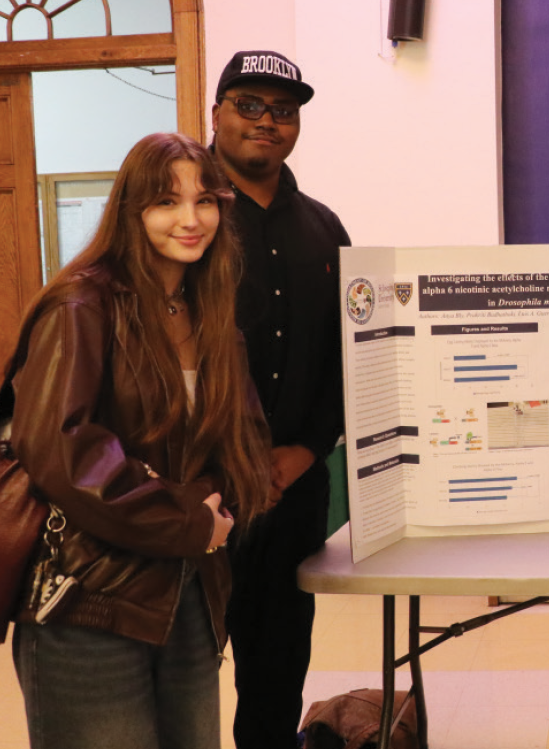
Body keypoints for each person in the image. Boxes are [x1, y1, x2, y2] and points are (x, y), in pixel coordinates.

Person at [9, 132, 272, 749]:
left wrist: (221, 509)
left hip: (189, 587)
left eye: (205, 200)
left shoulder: (209, 312)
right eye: (167, 202)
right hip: (91, 593)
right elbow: (62, 448)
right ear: (133, 209)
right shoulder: (81, 305)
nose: (190, 219)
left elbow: (246, 440)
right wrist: (187, 520)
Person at [210, 50, 352, 749]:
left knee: (276, 670)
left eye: (284, 111)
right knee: (178, 668)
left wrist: (306, 448)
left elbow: (348, 360)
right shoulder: (183, 219)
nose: (268, 122)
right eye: (250, 105)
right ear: (217, 113)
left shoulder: (325, 230)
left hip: (291, 492)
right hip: (192, 495)